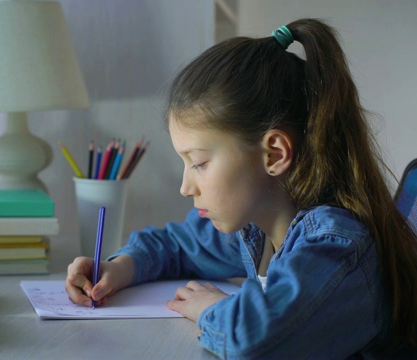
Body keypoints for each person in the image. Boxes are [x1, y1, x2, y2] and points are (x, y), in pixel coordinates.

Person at [65, 18, 417, 358]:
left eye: (200, 163)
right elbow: (176, 246)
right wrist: (120, 268)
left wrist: (212, 308)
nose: (186, 187)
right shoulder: (256, 229)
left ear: (274, 153)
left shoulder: (336, 247)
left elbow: (256, 340)